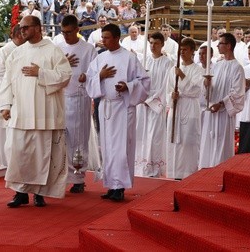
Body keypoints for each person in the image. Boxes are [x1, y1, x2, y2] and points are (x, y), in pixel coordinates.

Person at [0, 15, 72, 208]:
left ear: (38, 28)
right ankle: (20, 193)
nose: (22, 30)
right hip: (21, 112)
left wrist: (41, 73)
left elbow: (66, 76)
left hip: (45, 112)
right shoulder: (16, 53)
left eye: (26, 27)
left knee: (42, 155)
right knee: (19, 153)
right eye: (21, 28)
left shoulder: (53, 51)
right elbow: (7, 81)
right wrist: (5, 105)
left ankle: (40, 194)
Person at [86, 23, 150, 202]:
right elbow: (90, 79)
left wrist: (127, 86)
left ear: (116, 38)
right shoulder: (100, 58)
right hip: (106, 106)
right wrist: (100, 75)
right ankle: (112, 185)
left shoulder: (129, 58)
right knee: (107, 147)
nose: (103, 41)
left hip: (122, 106)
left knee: (121, 148)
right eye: (103, 37)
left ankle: (120, 186)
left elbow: (144, 81)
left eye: (107, 37)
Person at [52, 15, 97, 193]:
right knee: (61, 139)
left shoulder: (88, 49)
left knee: (78, 139)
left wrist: (87, 76)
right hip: (60, 97)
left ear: (77, 30)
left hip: (79, 98)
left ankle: (78, 176)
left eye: (69, 32)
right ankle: (60, 174)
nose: (66, 36)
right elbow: (50, 70)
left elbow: (94, 72)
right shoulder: (58, 48)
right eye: (63, 32)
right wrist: (63, 63)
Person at [199, 33, 245, 168]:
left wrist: (221, 104)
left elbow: (237, 92)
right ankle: (206, 168)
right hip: (212, 111)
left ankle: (220, 169)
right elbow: (211, 89)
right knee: (209, 141)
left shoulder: (237, 67)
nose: (218, 46)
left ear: (229, 46)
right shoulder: (217, 66)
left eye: (221, 43)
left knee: (221, 143)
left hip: (224, 113)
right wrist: (207, 85)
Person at [135, 32, 173, 178]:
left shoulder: (167, 63)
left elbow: (166, 86)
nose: (152, 46)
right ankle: (140, 166)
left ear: (162, 44)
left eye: (156, 43)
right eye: (150, 43)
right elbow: (138, 81)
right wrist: (142, 97)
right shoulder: (144, 61)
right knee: (141, 134)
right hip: (142, 104)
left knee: (154, 136)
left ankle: (154, 167)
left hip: (156, 106)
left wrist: (151, 101)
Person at [166, 38, 203, 179]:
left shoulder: (198, 69)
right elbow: (167, 89)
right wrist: (172, 95)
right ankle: (175, 172)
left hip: (190, 107)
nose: (182, 52)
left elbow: (196, 90)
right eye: (180, 50)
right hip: (177, 107)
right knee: (174, 140)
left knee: (188, 141)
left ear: (192, 51)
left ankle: (189, 173)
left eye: (185, 50)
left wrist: (182, 75)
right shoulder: (172, 70)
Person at [0, 26, 25, 167]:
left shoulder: (25, 49)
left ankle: (15, 162)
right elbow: (1, 73)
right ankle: (3, 161)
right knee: (3, 128)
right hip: (5, 91)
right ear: (18, 35)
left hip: (21, 91)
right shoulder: (4, 51)